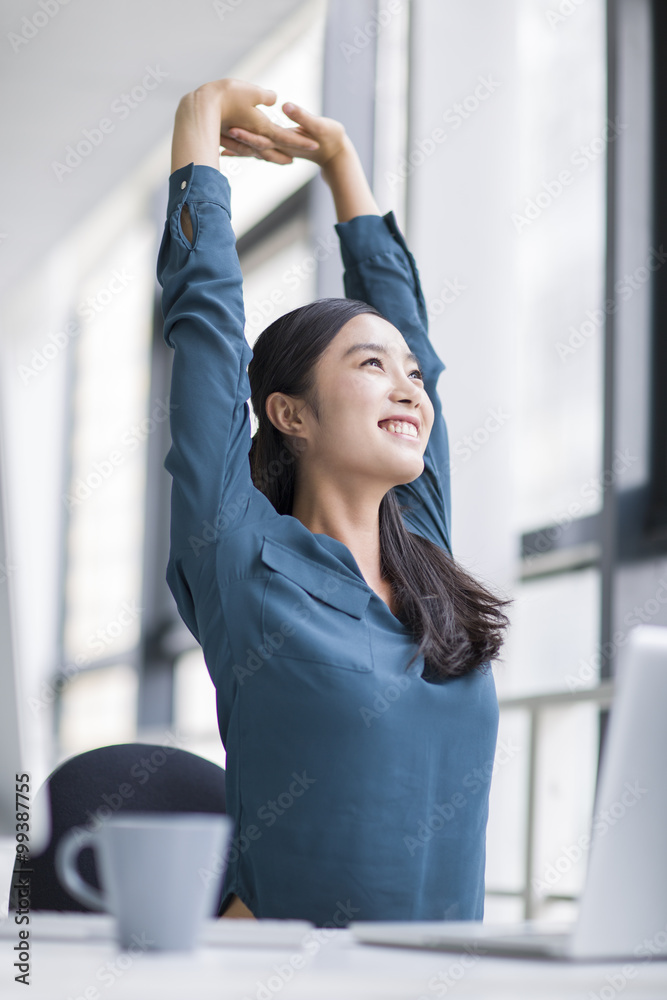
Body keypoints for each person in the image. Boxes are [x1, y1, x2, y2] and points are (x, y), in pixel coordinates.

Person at [158, 78, 512, 925]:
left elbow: (407, 325)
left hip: (446, 977)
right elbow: (206, 329)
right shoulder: (239, 555)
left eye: (413, 378)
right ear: (290, 415)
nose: (408, 388)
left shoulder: (422, 547)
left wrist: (343, 167)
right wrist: (198, 122)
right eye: (368, 367)